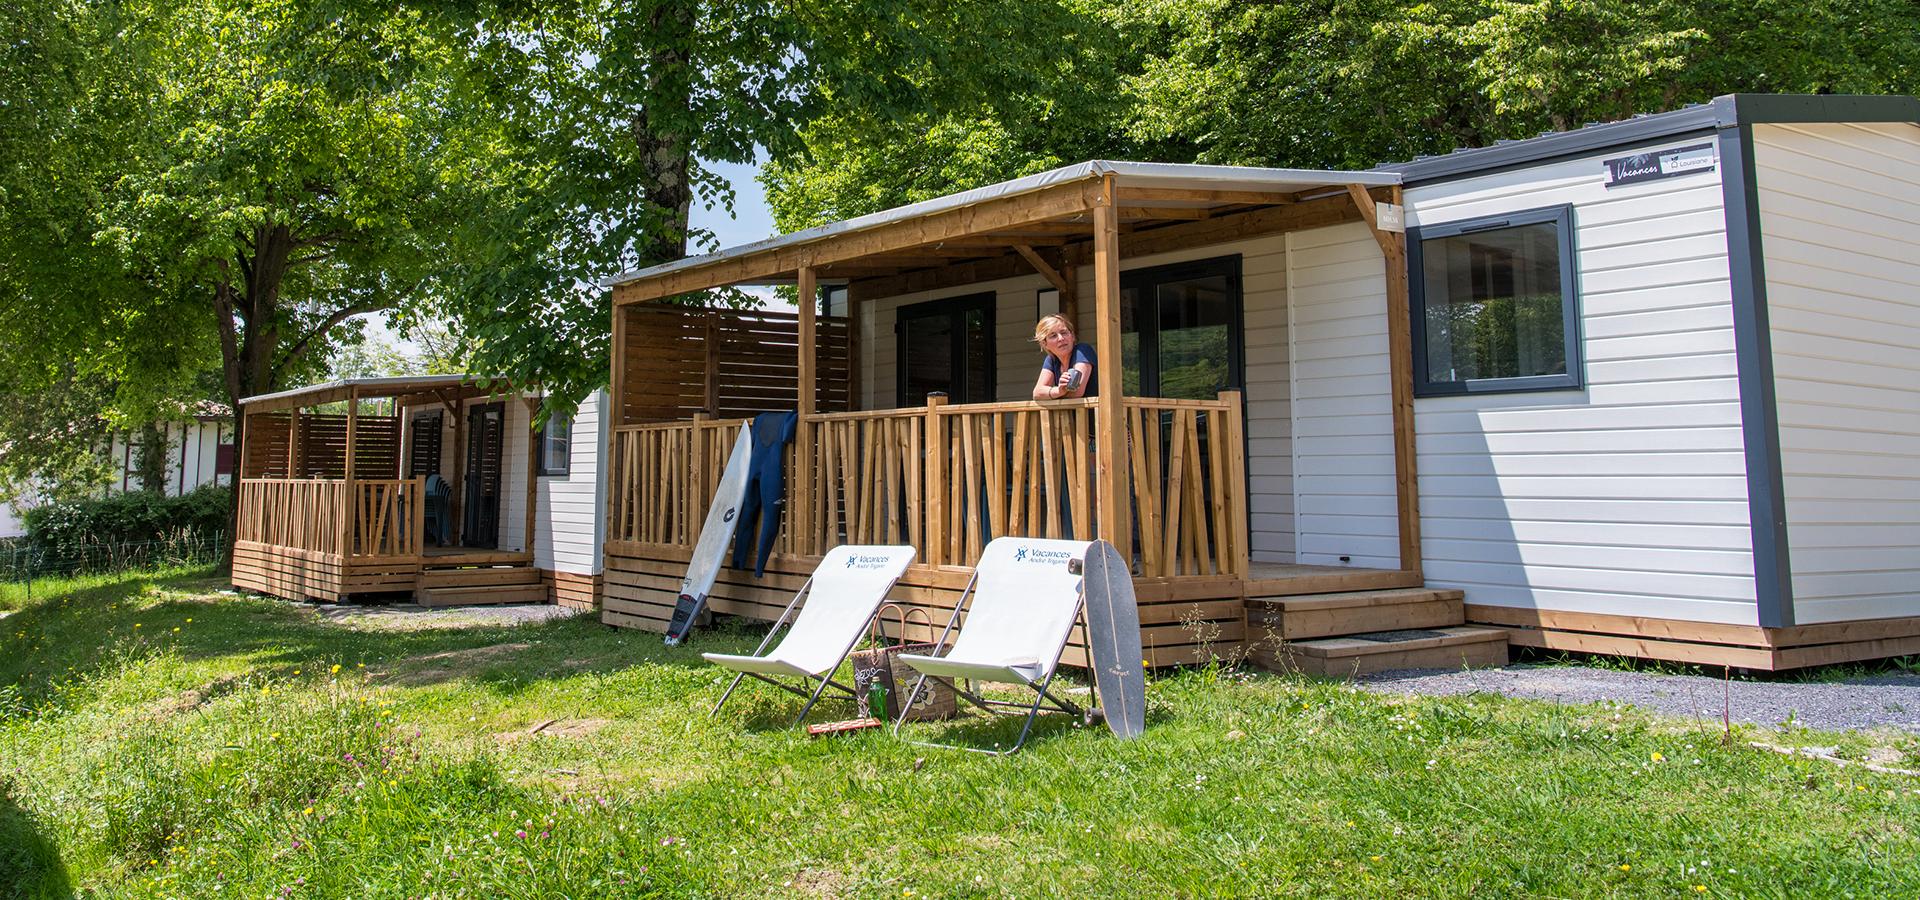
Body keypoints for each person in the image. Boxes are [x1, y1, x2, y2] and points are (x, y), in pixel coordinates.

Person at [1030, 313, 1096, 400]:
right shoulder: (1052, 359)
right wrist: (1058, 391)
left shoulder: (1082, 350)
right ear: (1045, 344)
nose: (1061, 338)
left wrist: (1052, 394)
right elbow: (1037, 393)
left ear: (1072, 336)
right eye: (1053, 336)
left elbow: (1076, 391)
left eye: (1064, 333)